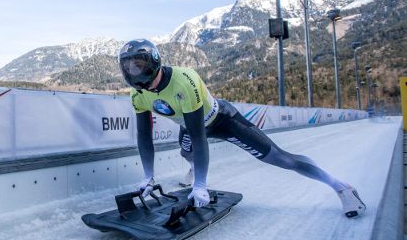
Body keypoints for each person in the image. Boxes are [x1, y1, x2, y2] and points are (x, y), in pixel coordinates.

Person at [118, 39, 366, 217]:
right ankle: (194, 169)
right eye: (128, 67)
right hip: (189, 124)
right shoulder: (137, 95)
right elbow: (143, 136)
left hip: (223, 121)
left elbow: (199, 135)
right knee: (185, 152)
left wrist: (201, 186)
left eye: (138, 65)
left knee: (281, 158)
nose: (133, 72)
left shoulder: (184, 81)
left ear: (154, 63)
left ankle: (342, 187)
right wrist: (148, 177)